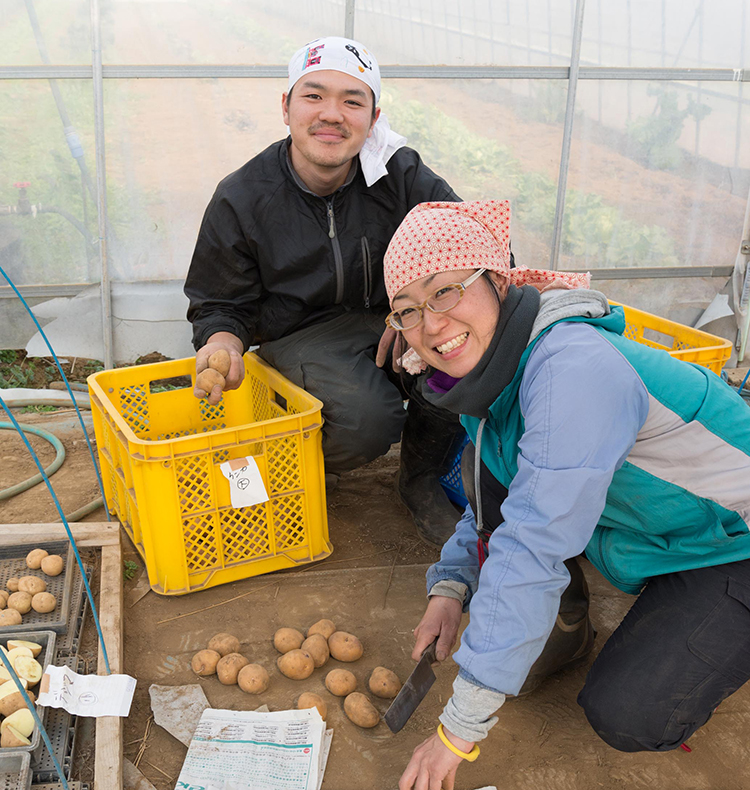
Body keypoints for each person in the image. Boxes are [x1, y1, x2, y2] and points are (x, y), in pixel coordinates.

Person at [379, 200, 750, 789]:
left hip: (732, 542)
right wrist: (452, 587)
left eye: (446, 291)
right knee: (486, 467)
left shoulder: (571, 368)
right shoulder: (489, 373)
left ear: (499, 282)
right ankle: (572, 623)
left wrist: (459, 730)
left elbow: (532, 541)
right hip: (657, 527)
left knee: (630, 714)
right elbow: (496, 498)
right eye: (408, 310)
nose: (431, 323)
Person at [184, 36, 466, 545]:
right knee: (366, 420)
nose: (331, 114)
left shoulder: (400, 173)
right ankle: (290, 468)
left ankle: (420, 479)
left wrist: (412, 314)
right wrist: (222, 344)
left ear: (372, 118)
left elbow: (466, 242)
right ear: (286, 107)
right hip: (302, 333)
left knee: (462, 354)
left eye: (352, 101)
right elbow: (220, 303)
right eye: (313, 96)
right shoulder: (243, 196)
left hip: (393, 317)